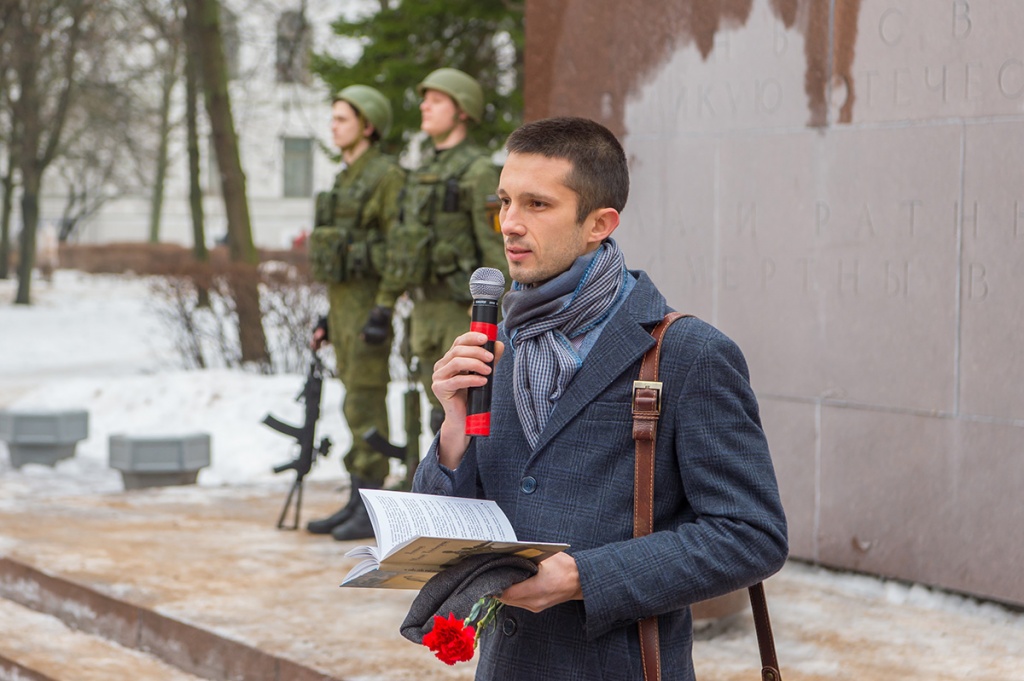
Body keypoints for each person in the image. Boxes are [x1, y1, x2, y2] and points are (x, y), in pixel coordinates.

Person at [416, 117, 788, 680]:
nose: (509, 224)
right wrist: (452, 432)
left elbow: (750, 536)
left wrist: (582, 578)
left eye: (537, 205)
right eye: (505, 201)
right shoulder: (495, 344)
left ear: (599, 223)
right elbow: (458, 516)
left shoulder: (689, 353)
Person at [368, 68, 509, 436]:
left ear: (461, 110)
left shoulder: (478, 171)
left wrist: (491, 315)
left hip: (459, 311)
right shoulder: (423, 169)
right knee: (435, 413)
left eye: (436, 100)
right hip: (424, 309)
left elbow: (496, 247)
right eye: (424, 99)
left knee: (462, 411)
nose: (424, 106)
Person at [305, 85, 405, 541]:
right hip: (344, 306)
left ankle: (374, 502)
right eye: (333, 117)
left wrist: (383, 307)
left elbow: (397, 246)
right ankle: (356, 497)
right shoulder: (345, 178)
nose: (334, 125)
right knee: (351, 402)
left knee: (365, 400)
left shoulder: (385, 176)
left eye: (342, 118)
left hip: (368, 306)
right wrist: (328, 316)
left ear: (368, 125)